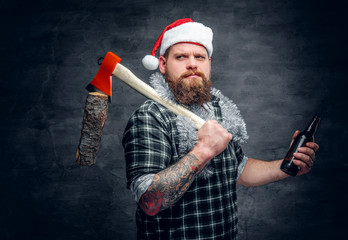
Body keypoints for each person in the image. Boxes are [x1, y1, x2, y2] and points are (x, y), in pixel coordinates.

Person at [122, 18, 319, 240]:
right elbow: (149, 202)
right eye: (181, 57)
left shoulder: (217, 108)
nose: (192, 64)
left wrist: (284, 167)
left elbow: (237, 168)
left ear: (209, 63)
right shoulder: (149, 116)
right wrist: (203, 151)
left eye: (199, 57)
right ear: (162, 64)